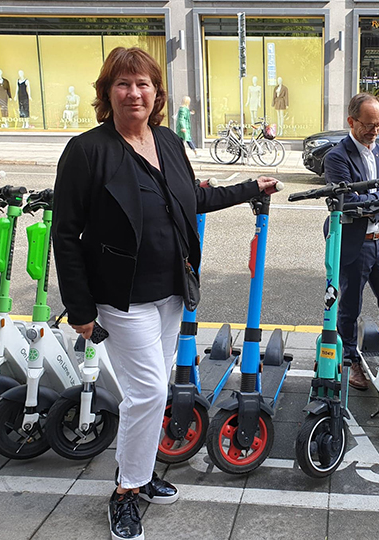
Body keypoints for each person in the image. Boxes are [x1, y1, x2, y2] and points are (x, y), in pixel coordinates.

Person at [51, 47, 280, 540]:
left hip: (172, 292)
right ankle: (127, 492)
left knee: (145, 398)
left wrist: (247, 188)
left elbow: (192, 198)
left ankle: (137, 474)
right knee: (150, 393)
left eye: (143, 84)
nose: (134, 93)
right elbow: (65, 233)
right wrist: (80, 308)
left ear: (156, 93)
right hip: (120, 299)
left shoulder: (169, 141)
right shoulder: (87, 150)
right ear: (107, 92)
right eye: (123, 84)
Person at [323, 92, 379, 391]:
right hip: (353, 243)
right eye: (368, 125)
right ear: (351, 121)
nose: (374, 131)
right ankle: (351, 360)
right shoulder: (336, 157)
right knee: (349, 307)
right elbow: (351, 205)